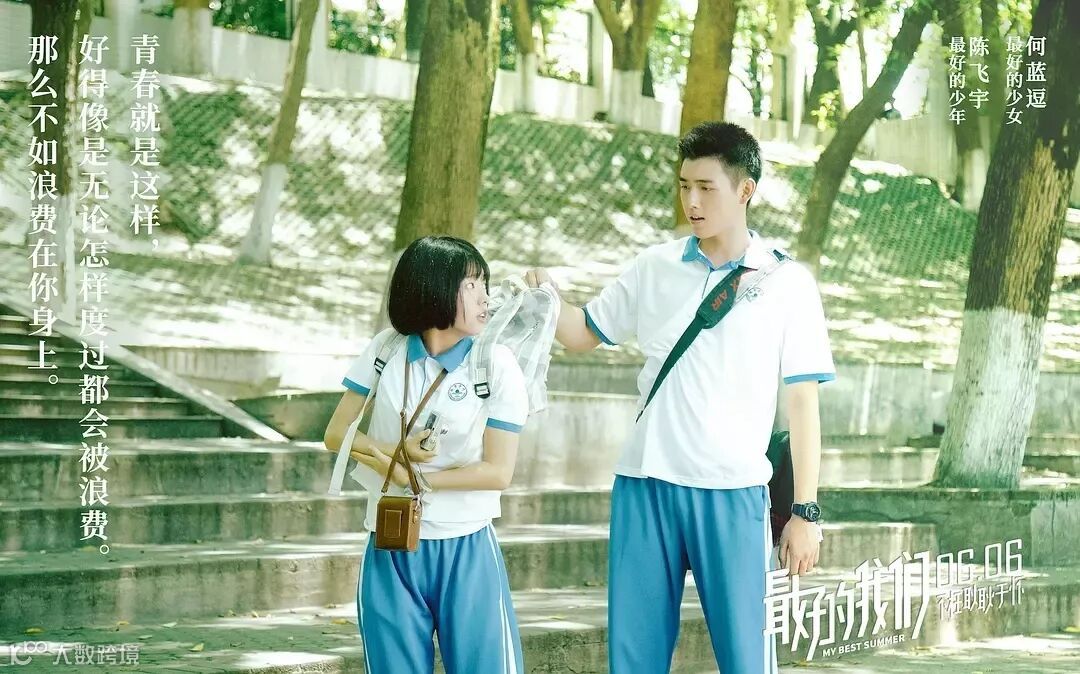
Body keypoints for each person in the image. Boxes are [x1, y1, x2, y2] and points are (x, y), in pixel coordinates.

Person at [525, 121, 835, 674]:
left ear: (745, 190)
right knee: (634, 658)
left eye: (706, 188)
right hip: (645, 485)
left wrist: (805, 512)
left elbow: (803, 405)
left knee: (747, 658)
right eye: (684, 186)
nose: (692, 201)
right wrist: (548, 297)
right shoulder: (655, 266)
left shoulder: (786, 283)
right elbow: (582, 333)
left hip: (731, 491)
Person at [324, 235, 529, 674]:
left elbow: (498, 472)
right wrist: (395, 454)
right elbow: (336, 434)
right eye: (471, 285)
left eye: (484, 284)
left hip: (466, 542)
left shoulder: (495, 364)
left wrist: (416, 480)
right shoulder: (386, 349)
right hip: (390, 541)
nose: (485, 298)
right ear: (432, 287)